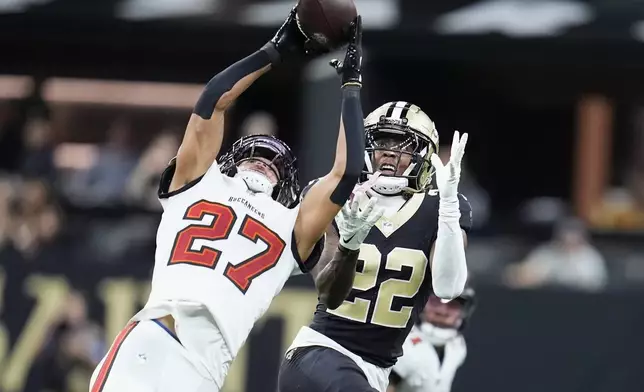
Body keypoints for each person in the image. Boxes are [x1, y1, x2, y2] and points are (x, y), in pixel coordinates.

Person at [89, 9, 373, 392]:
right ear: (229, 160)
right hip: (155, 337)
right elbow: (212, 102)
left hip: (205, 370)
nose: (265, 164)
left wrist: (351, 85)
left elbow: (347, 171)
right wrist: (276, 48)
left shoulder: (291, 223)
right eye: (257, 155)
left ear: (285, 188)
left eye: (275, 165)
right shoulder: (199, 183)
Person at [278, 101, 473, 392]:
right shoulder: (338, 197)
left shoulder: (439, 208)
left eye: (404, 144)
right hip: (321, 354)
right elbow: (329, 294)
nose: (390, 152)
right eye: (382, 140)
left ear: (424, 154)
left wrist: (448, 209)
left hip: (376, 371)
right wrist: (348, 244)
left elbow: (448, 287)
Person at [388, 287, 477, 392]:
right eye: (435, 301)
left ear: (463, 309)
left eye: (453, 304)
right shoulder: (401, 341)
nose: (442, 310)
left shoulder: (458, 345)